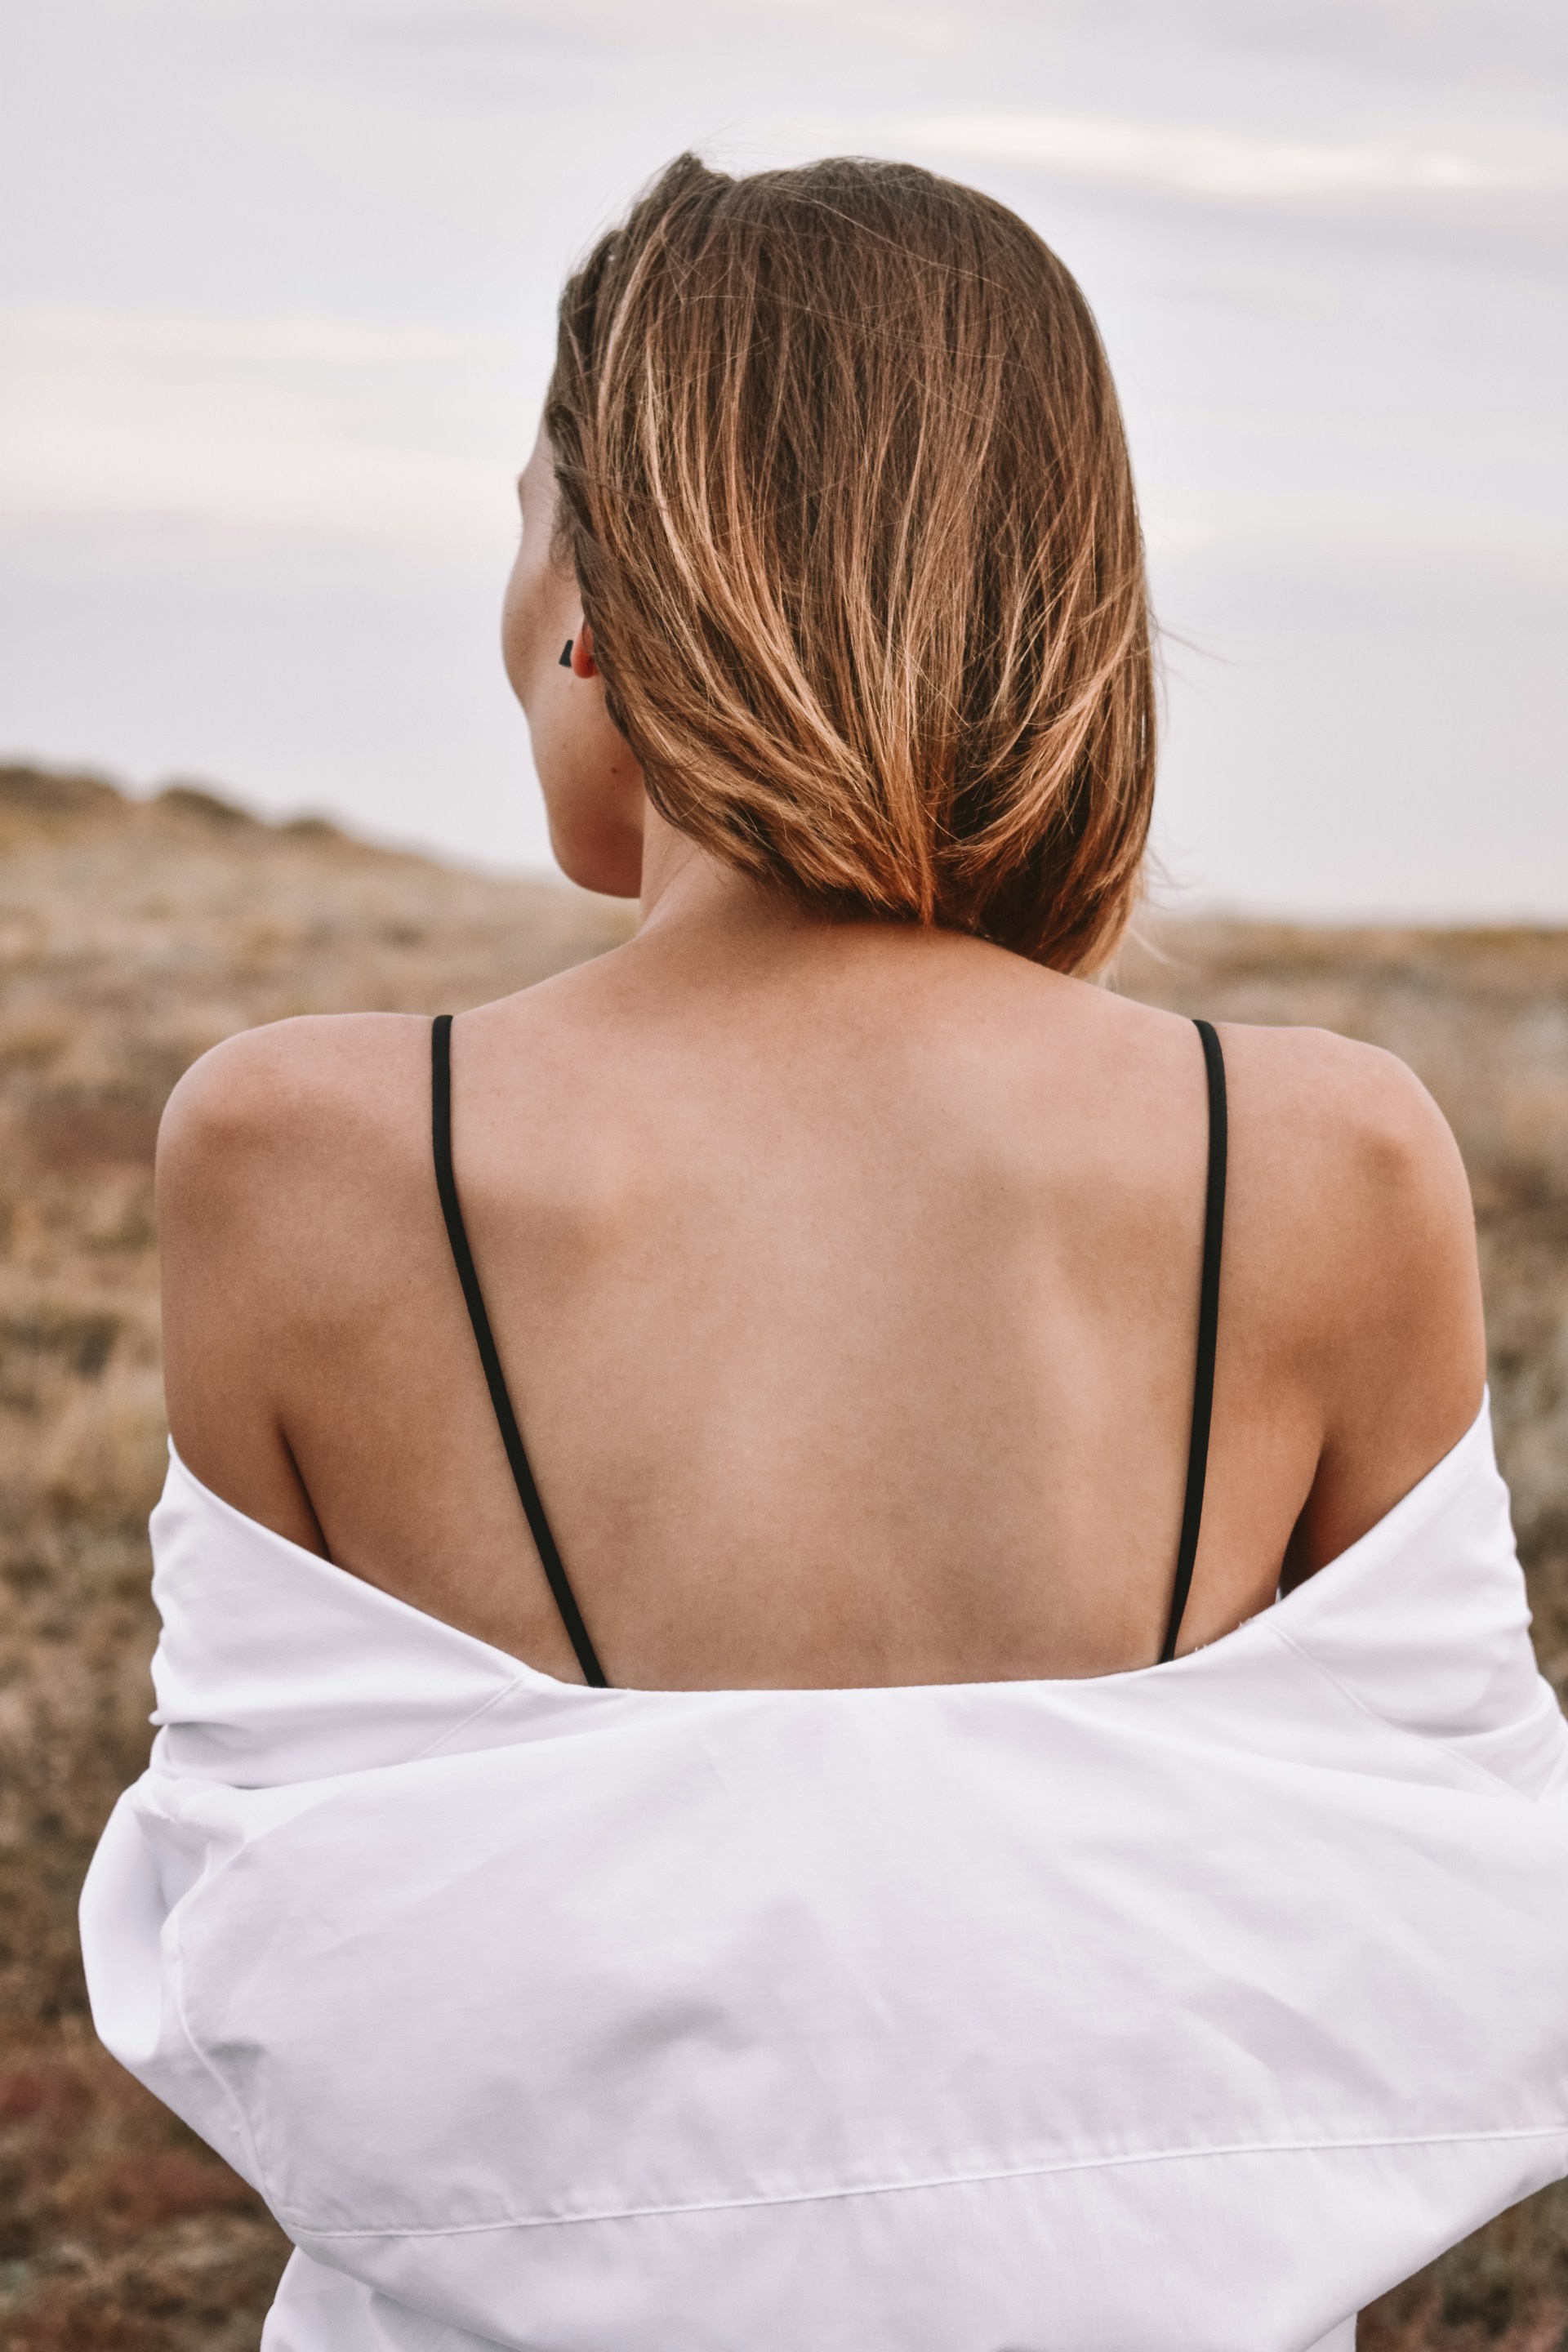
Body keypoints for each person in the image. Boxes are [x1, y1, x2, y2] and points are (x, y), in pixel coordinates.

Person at [81, 154, 1568, 2352]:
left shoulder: (295, 1159)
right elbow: (1431, 1958)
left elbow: (287, 1964)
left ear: (611, 583)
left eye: (527, 518)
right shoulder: (1330, 1161)